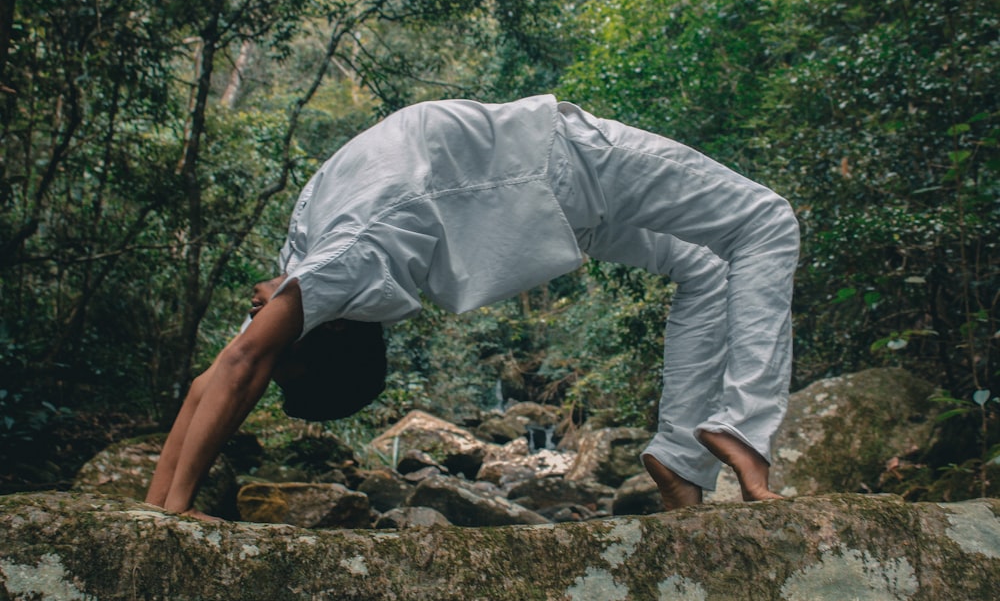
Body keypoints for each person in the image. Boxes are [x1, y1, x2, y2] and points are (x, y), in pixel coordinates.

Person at [145, 94, 799, 518]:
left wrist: (166, 507)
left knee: (710, 256)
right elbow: (227, 373)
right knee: (766, 222)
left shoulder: (322, 267)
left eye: (280, 361)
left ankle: (683, 460)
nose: (268, 352)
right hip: (553, 175)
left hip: (549, 182)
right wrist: (163, 510)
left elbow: (229, 370)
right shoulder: (336, 267)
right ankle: (737, 429)